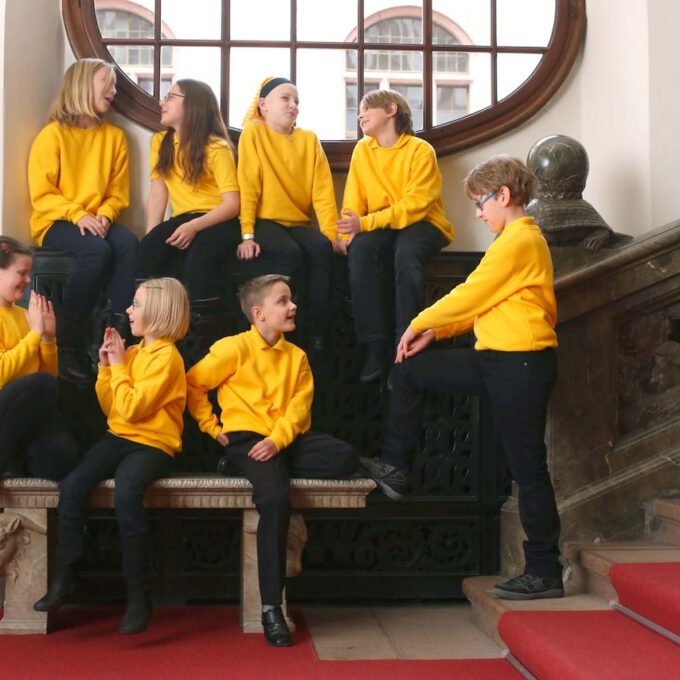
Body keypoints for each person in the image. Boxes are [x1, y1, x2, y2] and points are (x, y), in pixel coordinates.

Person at [361, 156, 563, 600]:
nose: (478, 212)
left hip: (522, 364)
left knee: (526, 468)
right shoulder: (510, 241)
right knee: (411, 370)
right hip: (495, 359)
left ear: (504, 196)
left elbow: (471, 292)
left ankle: (545, 570)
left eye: (480, 203)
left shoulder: (521, 240)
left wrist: (417, 322)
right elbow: (483, 303)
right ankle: (395, 466)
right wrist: (436, 331)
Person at [186, 274, 357, 647]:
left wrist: (278, 441)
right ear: (259, 313)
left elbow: (300, 408)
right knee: (276, 499)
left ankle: (244, 467)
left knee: (343, 456)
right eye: (283, 301)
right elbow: (193, 383)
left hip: (283, 438)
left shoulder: (297, 356)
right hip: (247, 437)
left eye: (291, 300)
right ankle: (271, 609)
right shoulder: (232, 348)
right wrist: (211, 426)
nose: (292, 306)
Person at [34, 277, 190, 634]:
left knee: (127, 493)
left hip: (153, 444)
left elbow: (133, 409)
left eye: (136, 304)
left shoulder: (167, 358)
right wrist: (108, 367)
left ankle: (138, 594)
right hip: (118, 436)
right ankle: (66, 576)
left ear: (159, 312)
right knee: (72, 485)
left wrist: (118, 367)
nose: (129, 311)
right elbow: (113, 409)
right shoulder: (134, 354)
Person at [28, 58, 138, 382]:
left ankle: (116, 334)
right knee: (98, 252)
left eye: (116, 85)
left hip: (96, 220)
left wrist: (104, 215)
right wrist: (79, 215)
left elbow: (118, 194)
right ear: (82, 86)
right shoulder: (52, 136)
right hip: (56, 221)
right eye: (108, 83)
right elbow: (42, 195)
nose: (114, 91)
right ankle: (68, 341)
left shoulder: (115, 138)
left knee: (129, 243)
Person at [338, 89, 454, 383]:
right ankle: (375, 344)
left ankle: (407, 341)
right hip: (383, 226)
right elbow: (354, 201)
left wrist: (366, 222)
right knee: (361, 249)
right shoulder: (362, 150)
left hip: (424, 223)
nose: (360, 114)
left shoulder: (420, 150)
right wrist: (347, 233)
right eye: (360, 110)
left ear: (391, 109)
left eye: (367, 108)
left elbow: (416, 205)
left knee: (406, 253)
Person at [237, 77, 343, 371]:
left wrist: (333, 235)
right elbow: (248, 184)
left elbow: (322, 192)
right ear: (264, 105)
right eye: (285, 99)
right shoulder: (254, 133)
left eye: (297, 101)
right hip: (265, 221)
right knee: (291, 254)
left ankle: (317, 335)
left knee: (321, 248)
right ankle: (278, 331)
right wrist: (247, 234)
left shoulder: (309, 139)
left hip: (297, 222)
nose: (293, 106)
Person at [136, 79, 240, 352]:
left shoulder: (217, 147)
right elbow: (158, 193)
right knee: (146, 252)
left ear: (192, 105)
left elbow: (232, 204)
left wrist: (195, 226)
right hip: (184, 218)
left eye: (171, 97)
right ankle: (145, 335)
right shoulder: (161, 142)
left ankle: (205, 342)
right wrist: (152, 237)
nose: (162, 102)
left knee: (199, 262)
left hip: (218, 219)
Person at [0, 237, 77, 480]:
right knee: (41, 384)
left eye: (28, 273)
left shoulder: (26, 315)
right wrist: (34, 334)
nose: (26, 280)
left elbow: (49, 376)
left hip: (29, 412)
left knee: (61, 462)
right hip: (5, 408)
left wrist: (48, 339)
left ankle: (16, 461)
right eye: (21, 273)